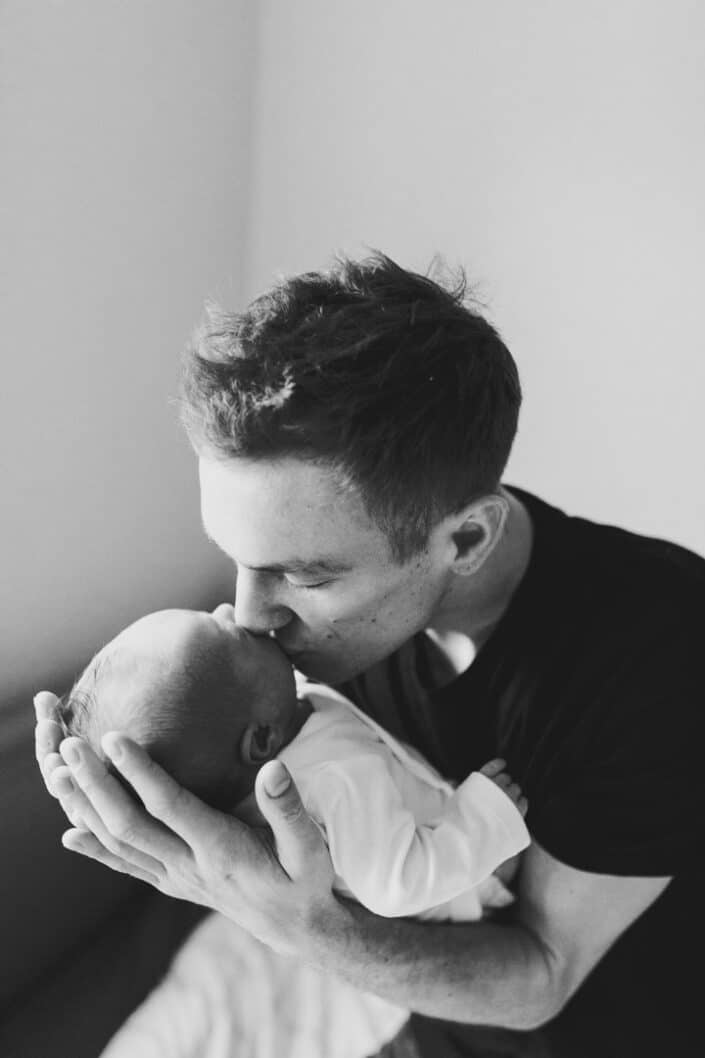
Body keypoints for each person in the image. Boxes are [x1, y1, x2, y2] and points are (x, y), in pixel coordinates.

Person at [34, 251, 705, 1057]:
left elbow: (540, 975)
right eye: (238, 557)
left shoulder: (658, 652)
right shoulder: (274, 648)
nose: (249, 614)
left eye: (305, 575)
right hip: (411, 1023)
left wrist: (300, 929)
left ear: (464, 537)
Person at [58, 605, 529, 921]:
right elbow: (397, 885)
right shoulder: (324, 786)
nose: (233, 609)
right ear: (261, 738)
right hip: (464, 885)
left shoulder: (274, 722)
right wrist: (482, 816)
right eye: (231, 633)